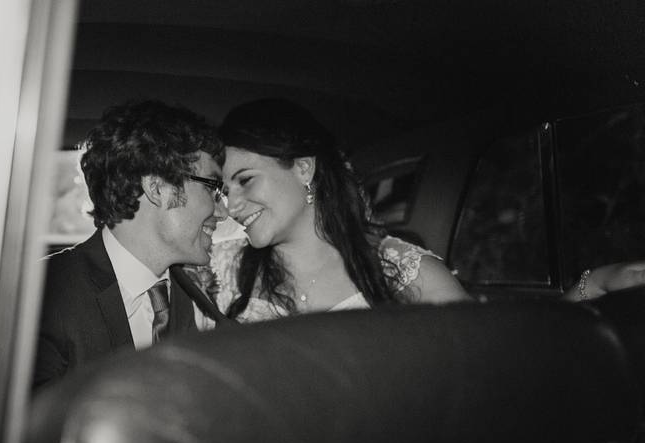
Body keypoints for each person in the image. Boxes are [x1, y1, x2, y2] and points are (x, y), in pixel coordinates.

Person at [209, 98, 645, 322]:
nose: (232, 202)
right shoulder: (221, 274)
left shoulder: (402, 272)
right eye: (224, 188)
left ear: (303, 169)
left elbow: (502, 362)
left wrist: (592, 284)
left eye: (245, 179)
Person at [33, 100, 230, 388]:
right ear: (157, 188)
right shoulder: (45, 293)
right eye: (212, 188)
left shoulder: (196, 295)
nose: (224, 211)